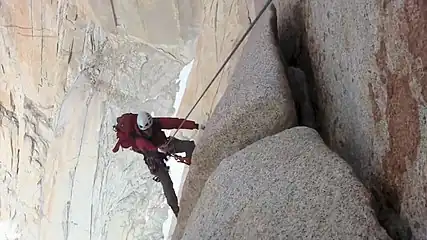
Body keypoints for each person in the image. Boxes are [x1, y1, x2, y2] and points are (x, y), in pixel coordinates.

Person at [112, 111, 205, 165]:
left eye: (150, 128)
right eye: (146, 130)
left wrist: (194, 125)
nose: (149, 131)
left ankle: (190, 160)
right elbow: (147, 147)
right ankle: (190, 161)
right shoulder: (139, 140)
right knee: (166, 182)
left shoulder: (155, 123)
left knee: (189, 146)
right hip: (154, 155)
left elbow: (174, 123)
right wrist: (158, 149)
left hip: (164, 145)